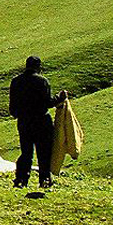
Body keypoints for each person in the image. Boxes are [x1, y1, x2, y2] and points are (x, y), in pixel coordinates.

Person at [9, 56, 68, 188]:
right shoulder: (42, 81)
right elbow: (48, 103)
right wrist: (60, 97)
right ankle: (44, 180)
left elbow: (12, 109)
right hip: (41, 121)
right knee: (44, 152)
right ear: (38, 67)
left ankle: (21, 179)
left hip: (24, 122)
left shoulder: (16, 82)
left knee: (26, 152)